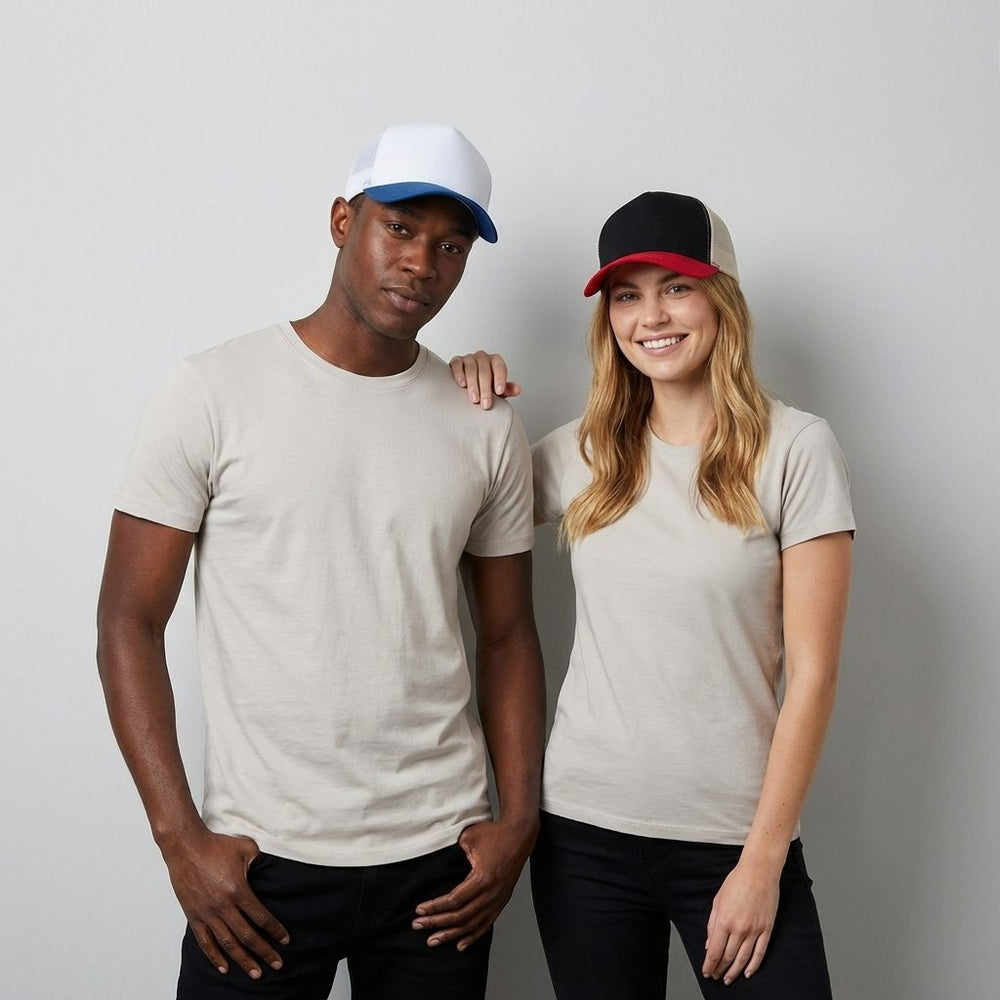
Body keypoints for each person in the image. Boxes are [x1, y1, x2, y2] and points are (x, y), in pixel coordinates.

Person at [96, 123, 545, 1000]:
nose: (421, 263)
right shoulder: (211, 391)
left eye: (451, 246)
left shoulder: (483, 419)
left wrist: (517, 819)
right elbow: (127, 621)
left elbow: (508, 636)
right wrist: (179, 840)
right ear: (343, 221)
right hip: (261, 863)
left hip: (440, 864)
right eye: (400, 228)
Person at [447, 191, 855, 998]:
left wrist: (762, 862)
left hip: (734, 839)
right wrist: (457, 386)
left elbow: (812, 676)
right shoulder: (581, 453)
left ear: (721, 297)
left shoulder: (796, 450)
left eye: (676, 287)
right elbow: (448, 499)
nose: (651, 316)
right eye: (627, 295)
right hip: (584, 837)